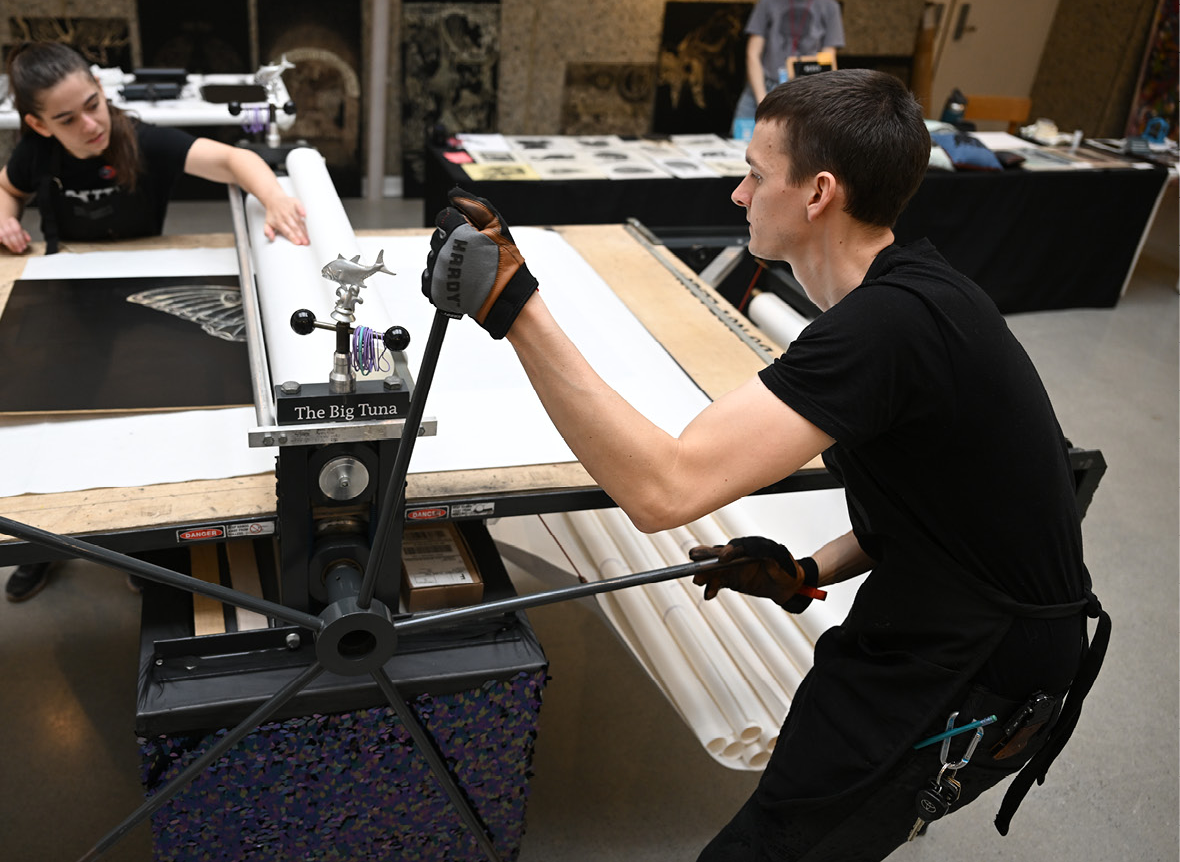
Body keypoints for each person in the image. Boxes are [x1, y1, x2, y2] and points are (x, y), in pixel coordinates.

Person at [422, 69, 1107, 861]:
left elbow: (663, 487)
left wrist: (514, 305)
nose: (739, 196)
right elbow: (947, 507)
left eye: (755, 174)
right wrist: (807, 569)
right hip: (936, 625)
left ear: (818, 193)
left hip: (981, 670)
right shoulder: (910, 297)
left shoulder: (885, 329)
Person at [0, 41, 310, 601]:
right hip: (73, 293)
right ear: (38, 125)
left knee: (141, 424)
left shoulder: (143, 139)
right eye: (67, 119)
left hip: (146, 293)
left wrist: (274, 197)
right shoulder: (34, 156)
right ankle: (42, 543)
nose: (91, 124)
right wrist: (5, 224)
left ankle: (143, 543)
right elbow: (4, 190)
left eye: (94, 103)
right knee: (52, 423)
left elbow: (235, 160)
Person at [733, 0, 845, 138]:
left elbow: (829, 60)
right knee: (742, 151)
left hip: (805, 94)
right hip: (762, 89)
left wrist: (824, 101)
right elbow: (753, 54)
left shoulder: (830, 8)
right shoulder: (768, 2)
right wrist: (762, 100)